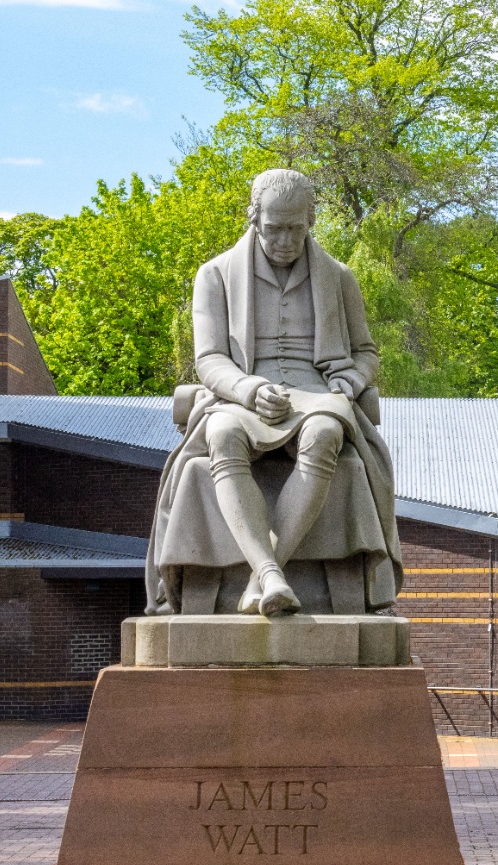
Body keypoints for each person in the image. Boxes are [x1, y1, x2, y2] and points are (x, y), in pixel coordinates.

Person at [145, 168, 401, 616]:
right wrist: (248, 390)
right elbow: (208, 359)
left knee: (325, 433)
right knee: (222, 435)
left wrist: (353, 380)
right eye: (274, 229)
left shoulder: (340, 278)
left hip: (317, 393)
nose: (285, 239)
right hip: (241, 394)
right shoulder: (215, 275)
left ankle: (263, 576)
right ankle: (270, 576)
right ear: (254, 219)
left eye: (295, 229)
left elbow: (366, 353)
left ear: (310, 222)